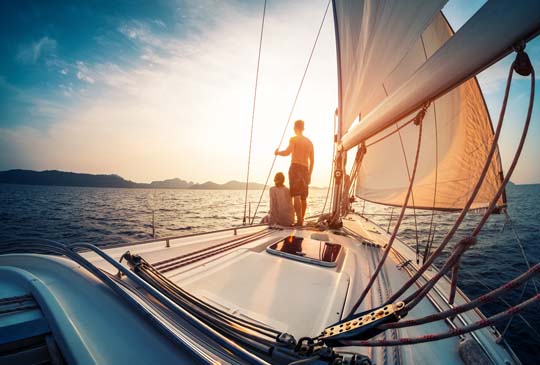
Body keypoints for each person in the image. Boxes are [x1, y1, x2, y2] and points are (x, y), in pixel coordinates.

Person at [274, 119, 314, 226]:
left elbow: (287, 152)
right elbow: (312, 161)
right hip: (305, 169)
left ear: (295, 128)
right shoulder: (310, 142)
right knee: (303, 197)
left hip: (295, 167)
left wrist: (278, 152)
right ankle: (301, 219)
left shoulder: (294, 139)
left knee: (296, 195)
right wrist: (309, 174)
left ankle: (299, 221)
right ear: (303, 128)